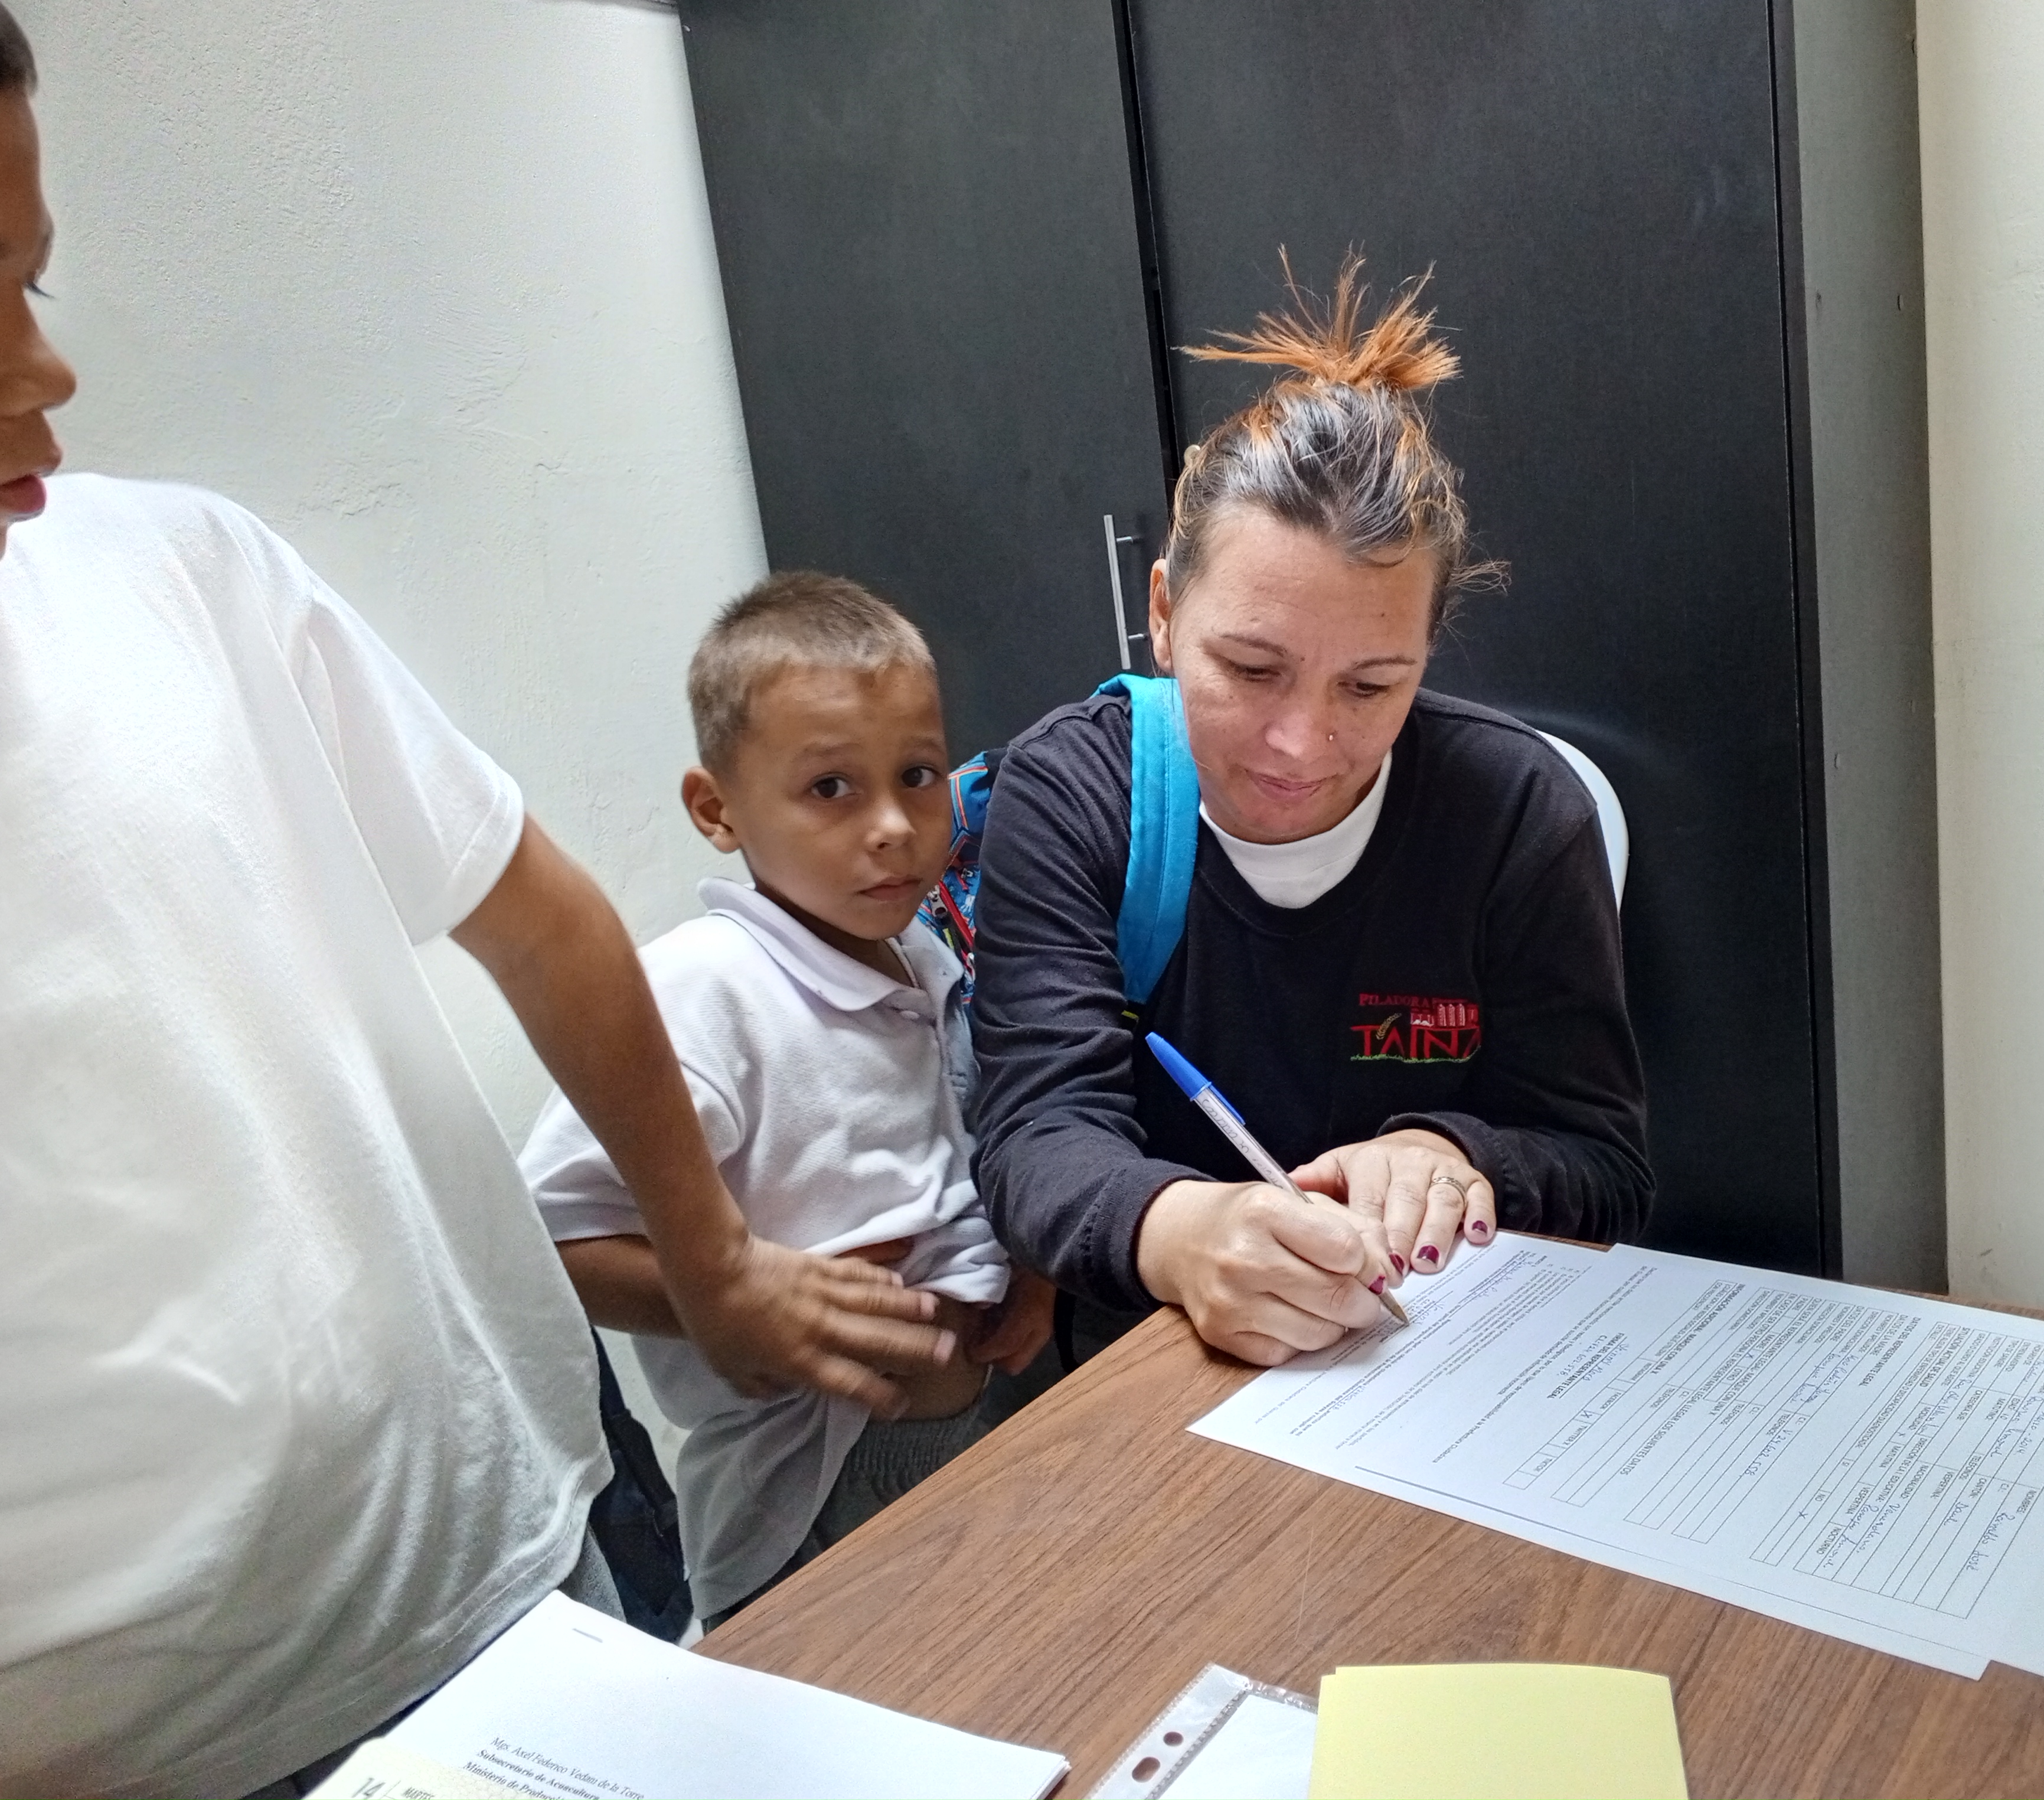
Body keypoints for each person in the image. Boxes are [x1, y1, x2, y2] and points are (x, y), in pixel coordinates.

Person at [0, 17, 956, 1796]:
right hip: (144, 1750)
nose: (43, 368)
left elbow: (535, 916)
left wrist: (721, 1263)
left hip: (512, 1558)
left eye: (29, 278)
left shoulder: (190, 571)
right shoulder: (727, 980)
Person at [971, 259, 1654, 1367]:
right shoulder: (1077, 794)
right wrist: (1183, 1232)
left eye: (1371, 686)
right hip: (1159, 1363)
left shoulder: (1518, 814)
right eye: (1251, 669)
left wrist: (1452, 1154)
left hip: (1442, 1362)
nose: (1300, 743)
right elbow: (1036, 1134)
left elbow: (1604, 1163)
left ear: (1427, 650)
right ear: (1163, 611)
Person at [521, 574, 1052, 1629]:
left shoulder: (920, 953)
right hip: (811, 1493)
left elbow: (952, 1157)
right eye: (831, 788)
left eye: (918, 775)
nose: (894, 826)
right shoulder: (703, 991)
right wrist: (746, 1299)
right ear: (716, 809)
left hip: (967, 1425)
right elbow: (551, 1240)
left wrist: (1021, 1273)